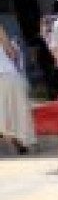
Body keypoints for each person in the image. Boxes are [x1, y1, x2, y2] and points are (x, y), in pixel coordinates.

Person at [0, 24, 35, 153]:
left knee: (5, 112)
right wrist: (14, 48)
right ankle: (20, 140)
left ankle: (12, 137)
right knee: (18, 110)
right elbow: (12, 54)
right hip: (8, 74)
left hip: (5, 76)